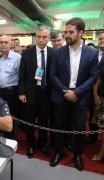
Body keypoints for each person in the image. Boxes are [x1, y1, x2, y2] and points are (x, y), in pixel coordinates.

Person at [49, 17, 98, 171]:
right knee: (58, 126)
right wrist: (66, 92)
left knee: (80, 128)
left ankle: (77, 155)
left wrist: (76, 92)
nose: (67, 35)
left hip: (81, 97)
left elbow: (93, 76)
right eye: (66, 32)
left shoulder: (92, 52)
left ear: (80, 33)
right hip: (61, 95)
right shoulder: (59, 52)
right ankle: (58, 151)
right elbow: (53, 75)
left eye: (71, 32)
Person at [18, 25, 54, 159]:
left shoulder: (52, 53)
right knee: (29, 121)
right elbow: (21, 75)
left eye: (44, 37)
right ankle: (31, 145)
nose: (41, 40)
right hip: (30, 93)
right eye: (38, 37)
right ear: (35, 37)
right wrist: (21, 92)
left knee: (44, 121)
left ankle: (42, 144)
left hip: (46, 93)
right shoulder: (27, 53)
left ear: (48, 38)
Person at [50, 30, 73, 152]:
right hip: (53, 92)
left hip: (69, 92)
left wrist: (66, 91)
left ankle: (68, 141)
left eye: (58, 40)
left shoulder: (70, 53)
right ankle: (55, 141)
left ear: (63, 40)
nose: (56, 43)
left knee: (69, 120)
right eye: (54, 41)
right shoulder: (49, 53)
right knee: (55, 121)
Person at [0, 35, 21, 118]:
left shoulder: (17, 58)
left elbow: (22, 76)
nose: (3, 44)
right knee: (0, 115)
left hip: (11, 93)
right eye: (1, 42)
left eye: (6, 42)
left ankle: (13, 131)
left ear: (11, 44)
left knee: (11, 115)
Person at [91, 32, 104, 161]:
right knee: (102, 126)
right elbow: (98, 77)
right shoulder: (99, 56)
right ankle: (101, 150)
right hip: (101, 95)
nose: (102, 40)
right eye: (100, 38)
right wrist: (95, 93)